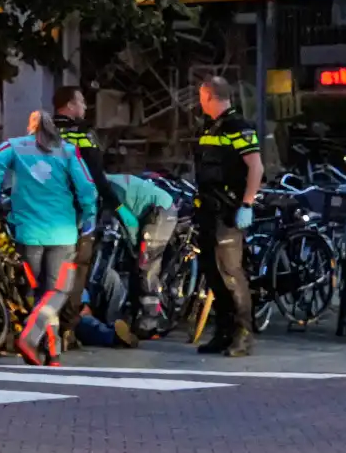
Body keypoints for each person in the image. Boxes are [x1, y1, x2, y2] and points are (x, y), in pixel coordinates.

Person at [0, 111, 98, 367]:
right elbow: (87, 186)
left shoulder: (15, 146)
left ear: (31, 127)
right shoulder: (68, 151)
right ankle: (30, 337)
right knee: (58, 290)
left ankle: (53, 353)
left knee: (42, 293)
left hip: (28, 233)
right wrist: (90, 214)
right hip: (63, 232)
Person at [51, 86, 135, 350]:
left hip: (41, 215)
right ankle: (66, 330)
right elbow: (97, 177)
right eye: (81, 102)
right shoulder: (83, 134)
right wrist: (120, 209)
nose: (85, 107)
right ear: (69, 105)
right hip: (76, 215)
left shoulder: (41, 132)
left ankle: (46, 327)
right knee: (74, 273)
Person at [194, 77, 263, 358]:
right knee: (212, 272)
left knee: (231, 273)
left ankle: (243, 335)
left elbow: (255, 167)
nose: (199, 102)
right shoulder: (211, 126)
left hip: (229, 210)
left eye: (201, 97)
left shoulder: (238, 126)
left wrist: (246, 204)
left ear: (210, 96)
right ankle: (223, 332)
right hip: (208, 209)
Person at [105, 173, 178, 338]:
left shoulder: (110, 191)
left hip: (160, 211)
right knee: (136, 266)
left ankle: (153, 320)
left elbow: (130, 223)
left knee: (146, 265)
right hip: (148, 210)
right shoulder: (103, 182)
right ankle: (138, 315)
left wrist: (136, 246)